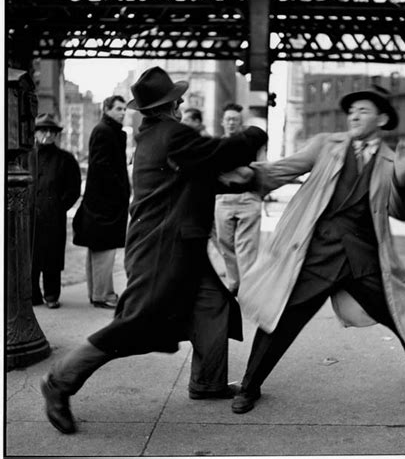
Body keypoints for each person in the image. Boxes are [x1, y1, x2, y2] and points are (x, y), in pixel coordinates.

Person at [40, 66, 268, 434]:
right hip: (161, 247)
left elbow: (198, 177)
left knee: (213, 305)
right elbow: (220, 155)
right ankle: (59, 383)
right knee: (135, 324)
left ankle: (207, 383)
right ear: (170, 106)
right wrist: (255, 131)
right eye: (176, 99)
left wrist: (243, 180)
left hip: (178, 243)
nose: (180, 103)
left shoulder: (155, 136)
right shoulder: (172, 134)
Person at [225, 85, 405, 414]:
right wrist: (241, 176)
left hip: (363, 260)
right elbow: (282, 170)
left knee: (404, 313)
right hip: (316, 255)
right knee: (279, 321)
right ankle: (250, 387)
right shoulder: (326, 145)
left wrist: (403, 178)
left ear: (381, 118)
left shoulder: (391, 160)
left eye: (363, 111)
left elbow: (402, 211)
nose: (354, 115)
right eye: (352, 111)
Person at [72, 95, 131, 309]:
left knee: (98, 250)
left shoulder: (106, 131)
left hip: (102, 202)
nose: (123, 112)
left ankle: (97, 293)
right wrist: (120, 191)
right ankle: (103, 295)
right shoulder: (106, 132)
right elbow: (103, 167)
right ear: (106, 109)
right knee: (104, 250)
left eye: (124, 109)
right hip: (106, 204)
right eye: (118, 108)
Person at [214, 103, 267, 295]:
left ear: (241, 122)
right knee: (225, 244)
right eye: (228, 119)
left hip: (248, 199)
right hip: (223, 200)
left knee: (247, 248)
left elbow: (260, 167)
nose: (231, 123)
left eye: (235, 119)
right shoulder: (217, 145)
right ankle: (235, 283)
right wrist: (241, 172)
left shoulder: (251, 143)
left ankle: (249, 286)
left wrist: (231, 172)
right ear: (222, 122)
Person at [30, 114, 81, 309]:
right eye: (43, 130)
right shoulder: (27, 156)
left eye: (52, 131)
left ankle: (51, 295)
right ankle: (33, 296)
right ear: (35, 133)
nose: (48, 135)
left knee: (52, 257)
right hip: (30, 217)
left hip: (53, 217)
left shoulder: (65, 159)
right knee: (31, 258)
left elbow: (74, 189)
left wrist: (59, 206)